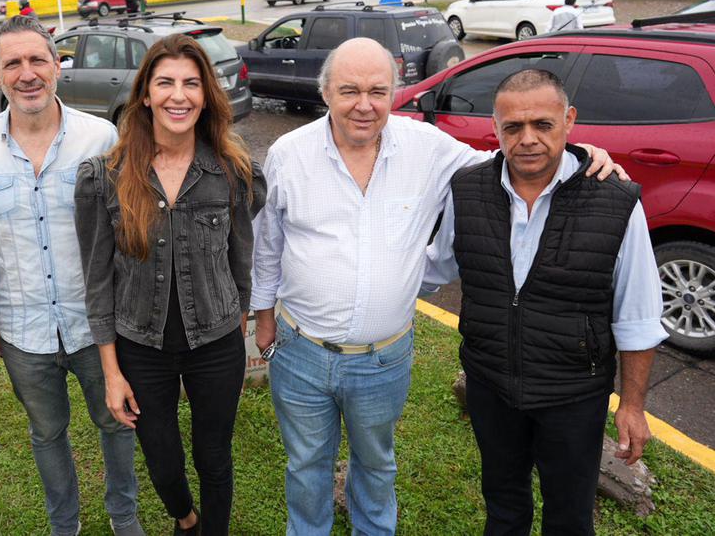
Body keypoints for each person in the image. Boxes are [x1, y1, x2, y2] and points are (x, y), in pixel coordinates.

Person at [250, 38, 623, 535]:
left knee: (377, 464)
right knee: (305, 465)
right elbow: (268, 241)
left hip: (383, 359)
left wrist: (579, 154)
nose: (365, 105)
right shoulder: (288, 154)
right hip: (300, 350)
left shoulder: (427, 149)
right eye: (349, 91)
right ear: (325, 94)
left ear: (395, 94)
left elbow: (512, 160)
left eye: (378, 91)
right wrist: (264, 315)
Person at [422, 69, 666, 535]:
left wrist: (632, 406)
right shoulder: (468, 189)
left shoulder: (613, 199)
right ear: (495, 129)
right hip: (491, 384)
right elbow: (435, 268)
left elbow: (637, 312)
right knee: (504, 506)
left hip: (573, 395)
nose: (527, 139)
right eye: (513, 127)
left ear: (569, 120)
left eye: (542, 124)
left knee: (569, 517)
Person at [0, 15, 145, 536]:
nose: (27, 73)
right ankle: (65, 523)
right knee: (46, 433)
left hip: (96, 326)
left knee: (116, 422)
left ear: (58, 66)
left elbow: (124, 234)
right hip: (21, 328)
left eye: (38, 59)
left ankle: (123, 515)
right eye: (12, 63)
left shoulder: (100, 137)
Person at [75, 34, 266, 536]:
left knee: (214, 455)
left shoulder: (232, 172)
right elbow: (97, 281)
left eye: (191, 84)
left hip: (216, 343)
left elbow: (240, 260)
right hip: (141, 344)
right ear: (145, 94)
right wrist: (112, 373)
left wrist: (237, 324)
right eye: (165, 83)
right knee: (160, 457)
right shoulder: (106, 177)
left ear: (206, 96)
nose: (178, 95)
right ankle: (186, 519)